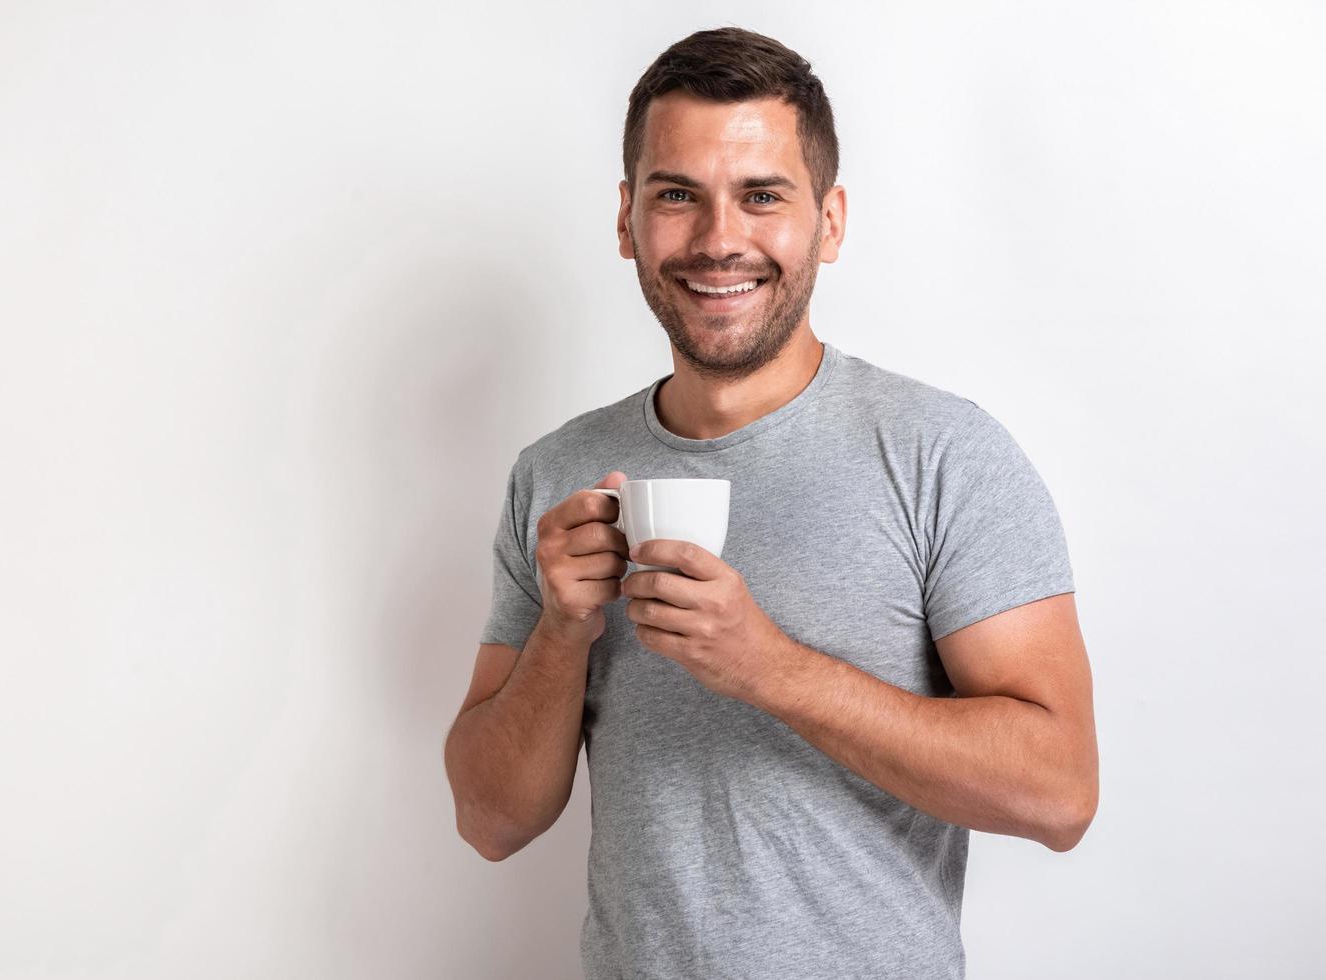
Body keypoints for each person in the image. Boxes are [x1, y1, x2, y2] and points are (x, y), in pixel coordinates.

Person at [443, 25, 1098, 980]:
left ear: (827, 222)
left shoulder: (941, 455)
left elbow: (1059, 793)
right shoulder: (558, 473)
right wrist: (560, 633)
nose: (718, 240)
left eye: (761, 196)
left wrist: (769, 669)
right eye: (677, 195)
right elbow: (490, 820)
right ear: (627, 219)